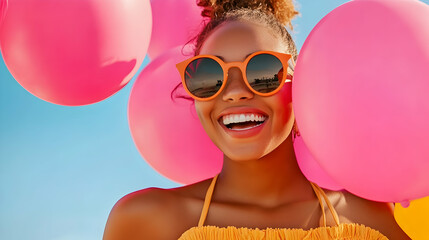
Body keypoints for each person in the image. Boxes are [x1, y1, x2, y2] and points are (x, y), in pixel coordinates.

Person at [103, 0, 411, 239]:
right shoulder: (146, 221)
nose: (234, 93)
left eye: (262, 72)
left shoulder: (371, 218)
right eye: (209, 75)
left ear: (301, 85)